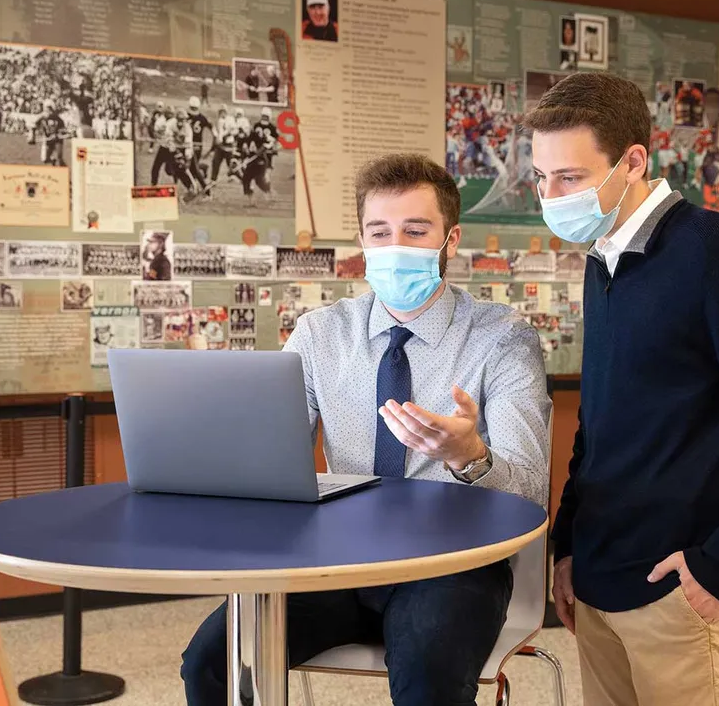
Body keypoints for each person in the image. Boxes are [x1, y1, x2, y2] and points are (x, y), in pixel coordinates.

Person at [180, 153, 552, 706]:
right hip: (337, 561)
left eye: (415, 231)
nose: (395, 246)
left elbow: (532, 491)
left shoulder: (503, 340)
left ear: (450, 240)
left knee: (426, 679)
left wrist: (470, 454)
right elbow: (268, 459)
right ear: (362, 242)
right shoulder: (319, 335)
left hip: (454, 563)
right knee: (212, 662)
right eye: (380, 232)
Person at [525, 72, 719, 706]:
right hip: (597, 578)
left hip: (678, 587)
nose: (551, 197)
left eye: (570, 178)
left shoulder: (713, 250)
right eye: (541, 178)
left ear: (634, 161)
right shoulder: (601, 257)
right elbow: (599, 422)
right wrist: (569, 545)